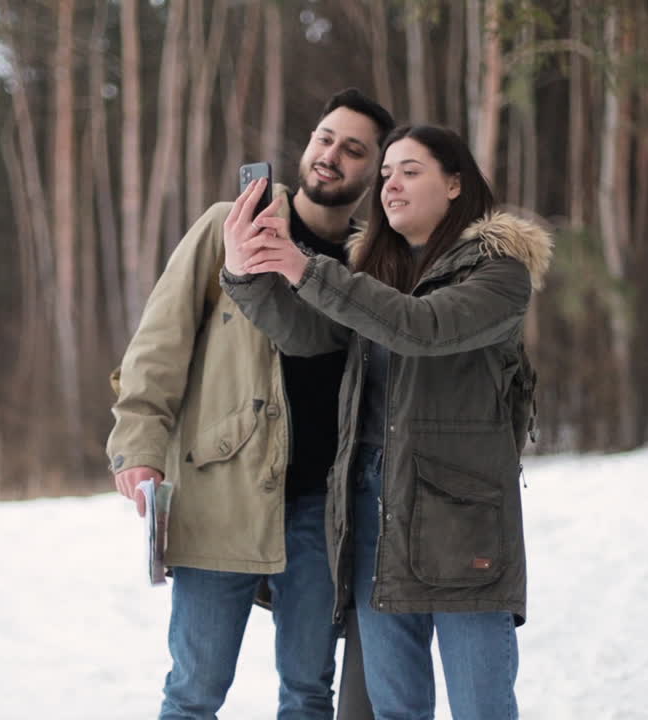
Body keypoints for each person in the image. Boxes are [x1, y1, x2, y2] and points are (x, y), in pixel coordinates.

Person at [220, 124, 553, 720]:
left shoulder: (501, 274)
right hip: (374, 510)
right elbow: (308, 335)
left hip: (463, 519)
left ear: (455, 184)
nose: (388, 185)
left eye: (409, 171)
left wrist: (306, 269)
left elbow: (421, 327)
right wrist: (250, 272)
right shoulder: (372, 278)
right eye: (384, 174)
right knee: (394, 711)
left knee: (482, 708)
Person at [107, 88, 394, 720]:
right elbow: (158, 346)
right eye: (325, 138)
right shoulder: (228, 225)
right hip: (222, 492)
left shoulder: (368, 261)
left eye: (353, 150)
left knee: (308, 693)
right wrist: (137, 446)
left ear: (374, 171)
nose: (331, 156)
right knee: (194, 691)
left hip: (324, 506)